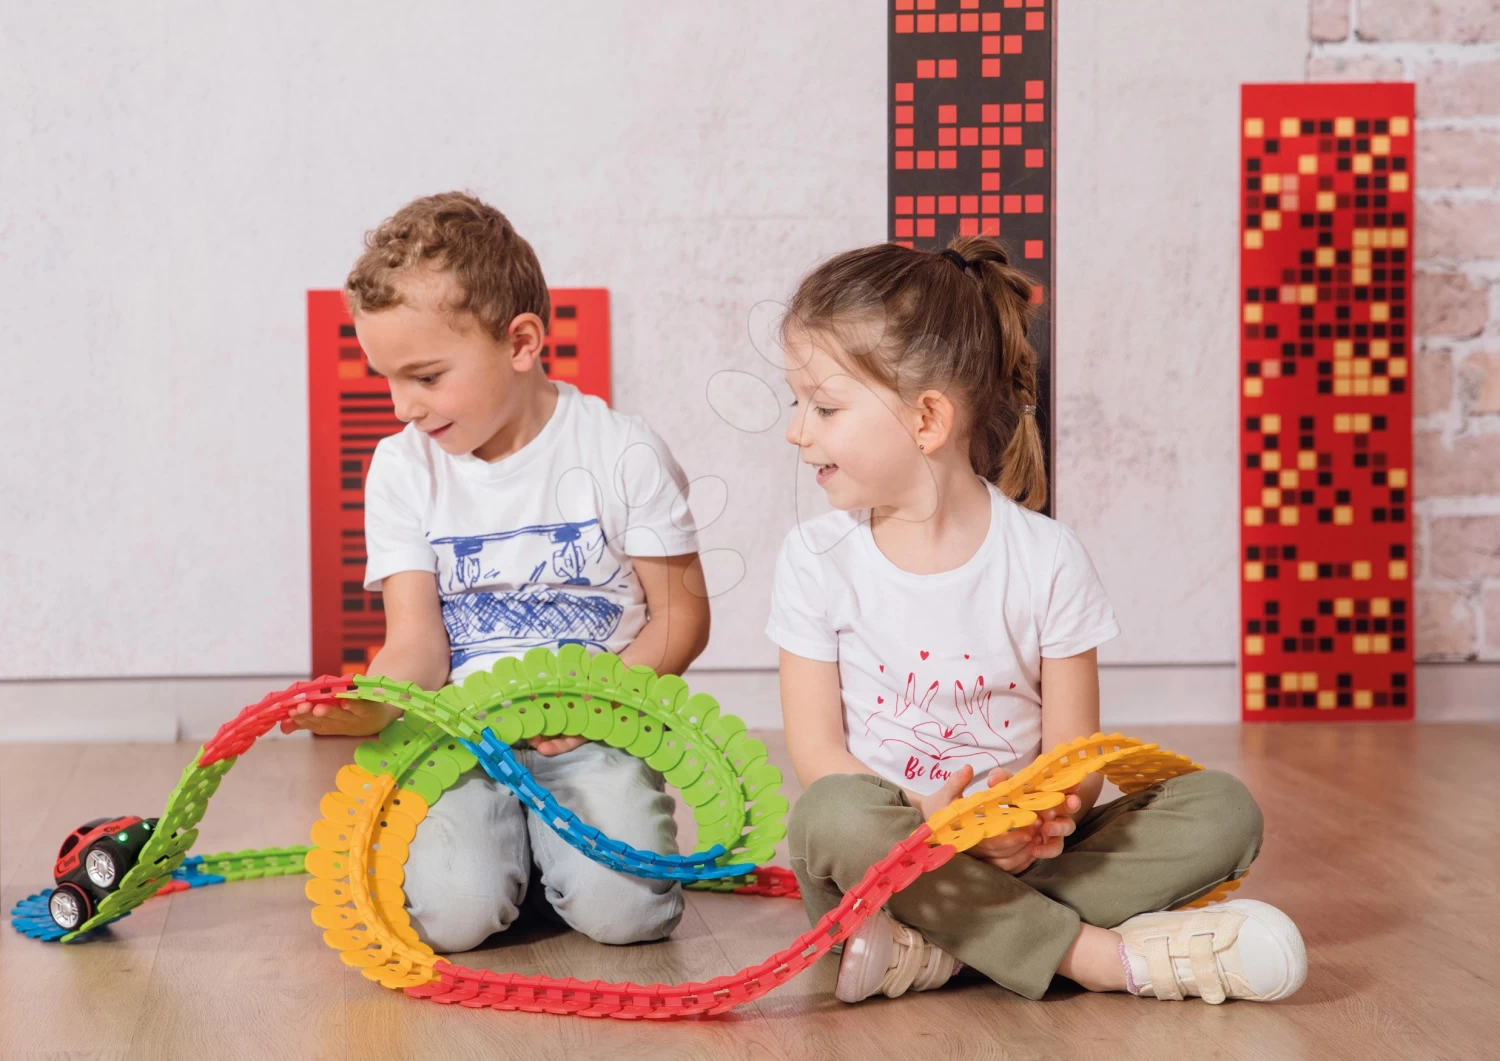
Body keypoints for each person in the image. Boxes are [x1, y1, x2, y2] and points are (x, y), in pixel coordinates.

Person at [768, 237, 1306, 1005]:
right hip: (892, 857)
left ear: (926, 419)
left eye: (822, 406)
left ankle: (942, 949)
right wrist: (932, 821)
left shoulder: (1048, 558)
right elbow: (819, 754)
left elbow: (1074, 759)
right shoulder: (814, 558)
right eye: (798, 404)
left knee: (1223, 809)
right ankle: (1090, 954)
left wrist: (1040, 821)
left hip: (1020, 857)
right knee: (832, 816)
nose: (798, 430)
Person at [286, 192, 711, 952]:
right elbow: (416, 643)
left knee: (630, 916)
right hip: (462, 735)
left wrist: (593, 705)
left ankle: (548, 863)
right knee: (451, 917)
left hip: (590, 731)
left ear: (520, 342)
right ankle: (519, 859)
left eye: (426, 376)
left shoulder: (621, 452)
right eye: (388, 379)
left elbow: (681, 617)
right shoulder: (401, 468)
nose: (404, 406)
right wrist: (374, 705)